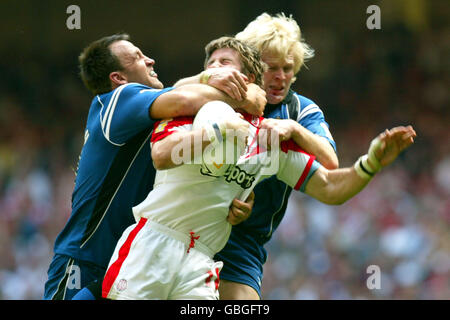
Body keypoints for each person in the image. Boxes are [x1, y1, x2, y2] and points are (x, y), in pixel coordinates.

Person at [101, 36, 416, 300]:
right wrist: (218, 132)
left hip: (201, 262)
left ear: (248, 79)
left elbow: (331, 187)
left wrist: (371, 162)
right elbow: (164, 155)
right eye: (210, 65)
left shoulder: (270, 138)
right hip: (154, 244)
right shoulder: (187, 113)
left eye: (225, 63)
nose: (214, 70)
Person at [43, 33, 266, 300]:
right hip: (87, 259)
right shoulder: (117, 99)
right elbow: (184, 98)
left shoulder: (162, 114)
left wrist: (235, 200)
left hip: (138, 258)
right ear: (118, 78)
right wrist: (243, 93)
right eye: (137, 57)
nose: (150, 59)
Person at [176, 12, 339, 299]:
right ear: (250, 68)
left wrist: (294, 131)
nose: (280, 77)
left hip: (244, 243)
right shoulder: (219, 95)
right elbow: (169, 98)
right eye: (271, 67)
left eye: (288, 68)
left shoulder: (301, 111)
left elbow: (330, 161)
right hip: (188, 226)